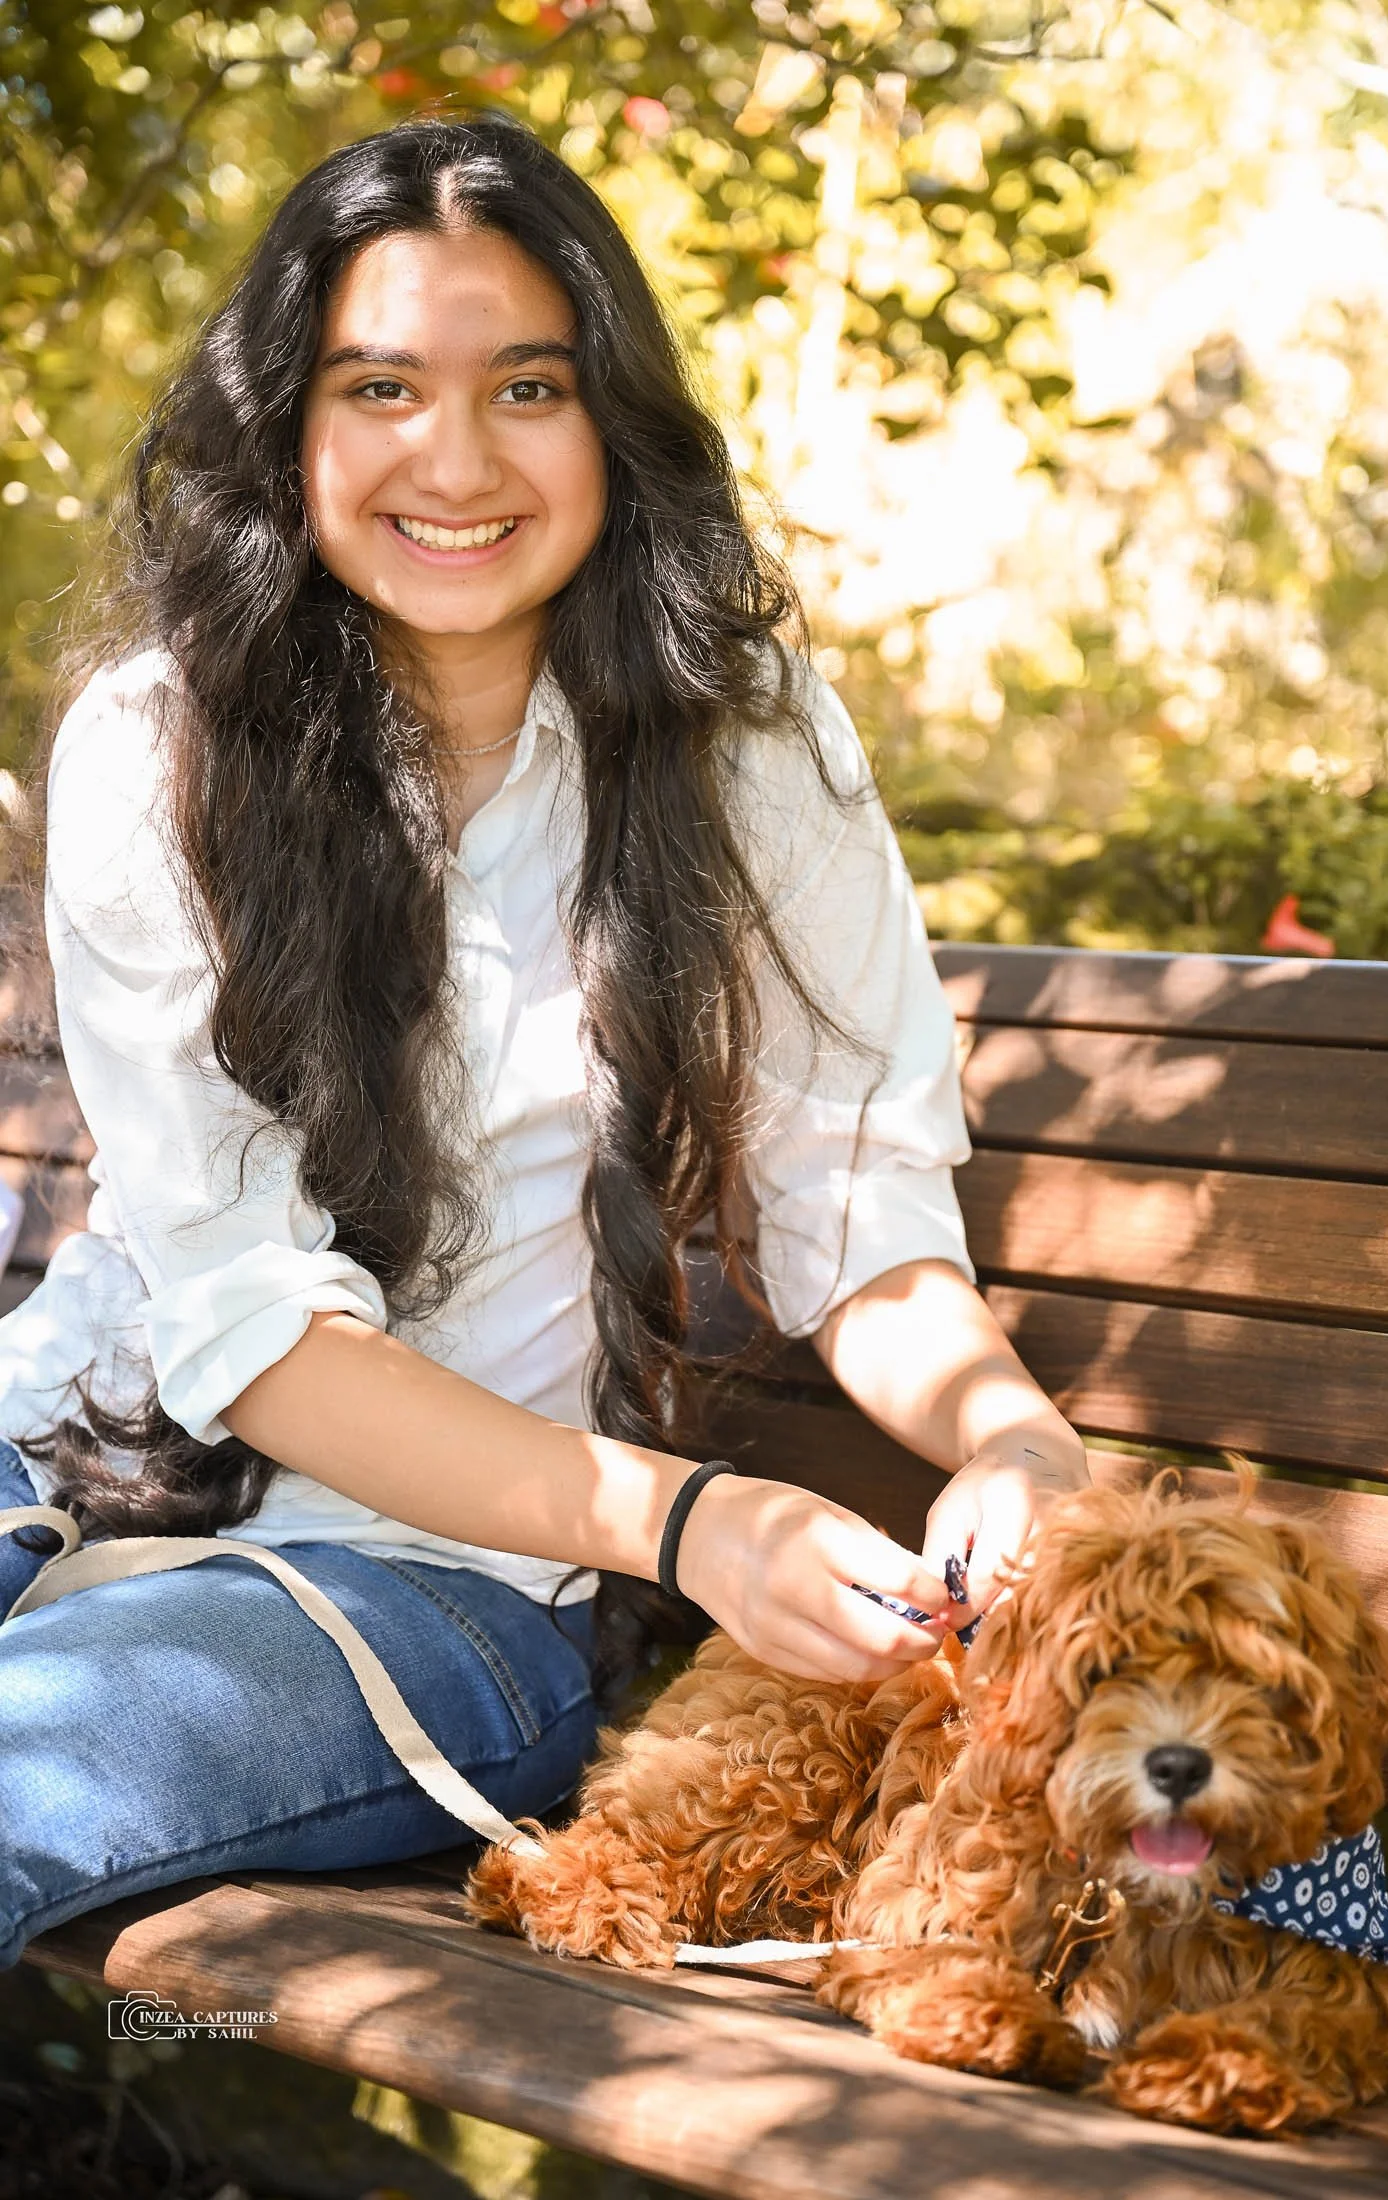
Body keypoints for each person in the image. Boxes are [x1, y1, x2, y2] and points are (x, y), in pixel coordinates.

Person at [0, 112, 1087, 1970]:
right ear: (291, 427)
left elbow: (856, 1219)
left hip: (440, 1585)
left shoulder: (747, 749)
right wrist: (698, 1519)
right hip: (76, 1445)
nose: (453, 456)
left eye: (526, 385)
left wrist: (1015, 1442)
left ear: (610, 424)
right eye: (379, 386)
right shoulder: (155, 747)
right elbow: (251, 1328)